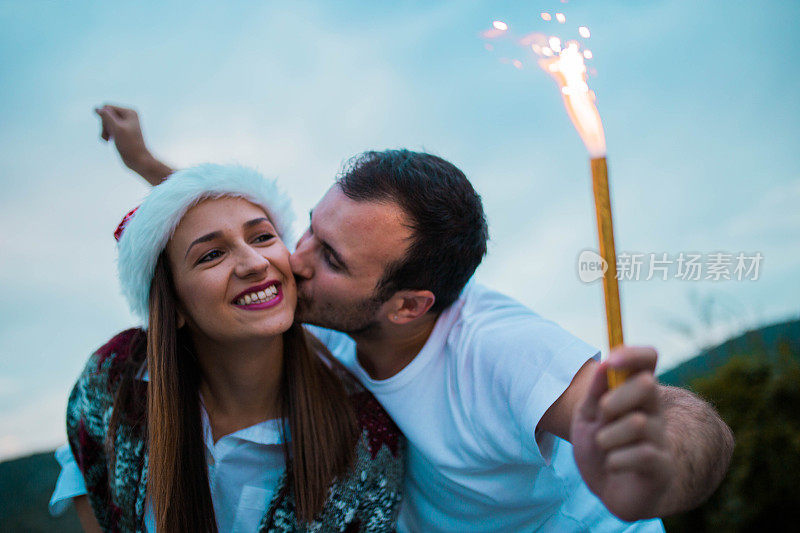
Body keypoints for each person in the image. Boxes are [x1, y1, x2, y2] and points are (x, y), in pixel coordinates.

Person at [60, 105, 734, 531]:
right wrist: (148, 165)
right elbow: (222, 241)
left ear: (408, 306)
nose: (288, 261)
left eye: (328, 254)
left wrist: (658, 471)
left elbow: (682, 421)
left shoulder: (496, 349)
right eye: (308, 230)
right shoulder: (326, 304)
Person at [51, 164, 403, 532]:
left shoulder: (368, 440)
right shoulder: (117, 373)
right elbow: (83, 463)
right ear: (174, 306)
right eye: (211, 255)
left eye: (263, 237)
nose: (255, 264)